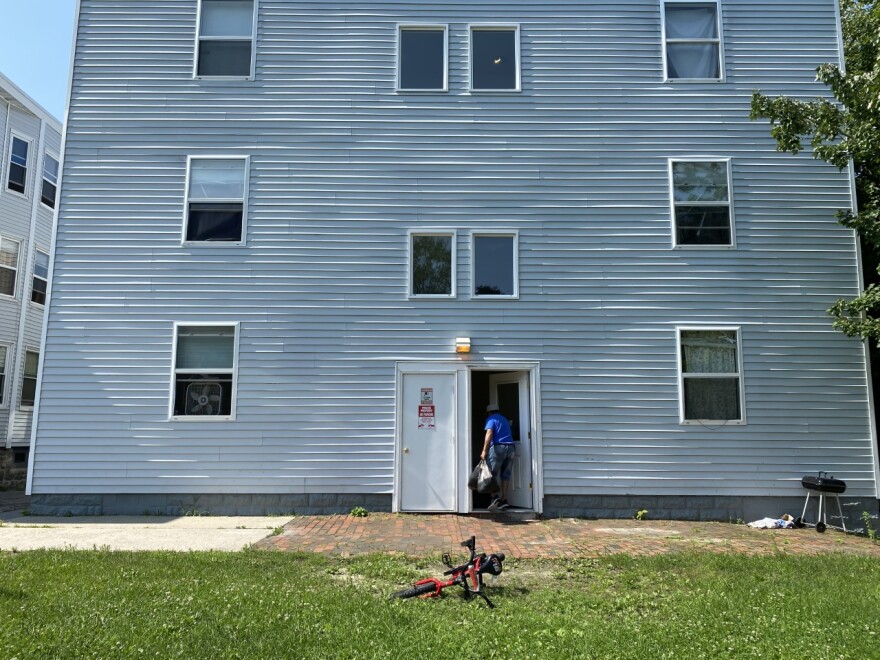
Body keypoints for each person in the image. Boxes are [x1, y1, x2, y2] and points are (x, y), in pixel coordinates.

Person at [481, 404, 515, 511]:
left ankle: (494, 498)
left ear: (489, 412)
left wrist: (484, 451)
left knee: (491, 474)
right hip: (511, 448)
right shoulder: (504, 419)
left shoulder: (491, 419)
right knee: (506, 475)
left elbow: (489, 433)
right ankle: (504, 500)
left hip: (498, 447)